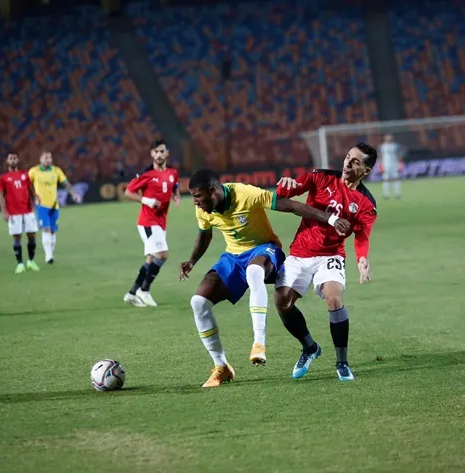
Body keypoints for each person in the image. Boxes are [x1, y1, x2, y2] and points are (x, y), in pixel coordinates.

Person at [179, 168, 350, 388]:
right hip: (233, 256)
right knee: (198, 302)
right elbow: (205, 235)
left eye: (197, 196)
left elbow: (290, 205)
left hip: (265, 249)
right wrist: (192, 261)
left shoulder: (245, 194)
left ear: (212, 191)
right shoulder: (204, 209)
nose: (195, 202)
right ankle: (221, 367)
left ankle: (259, 342)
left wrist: (331, 218)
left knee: (254, 271)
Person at [274, 142, 378, 381]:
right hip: (300, 251)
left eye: (355, 162)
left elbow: (362, 235)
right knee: (282, 302)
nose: (347, 163)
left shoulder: (366, 204)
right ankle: (310, 347)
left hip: (331, 255)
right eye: (348, 157)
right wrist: (285, 184)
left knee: (334, 298)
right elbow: (284, 196)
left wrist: (362, 258)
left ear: (366, 171)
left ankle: (342, 363)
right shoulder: (320, 177)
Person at [123, 139, 180, 307]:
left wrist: (176, 196)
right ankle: (144, 290)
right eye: (156, 152)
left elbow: (174, 186)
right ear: (151, 154)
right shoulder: (146, 174)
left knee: (151, 259)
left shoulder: (172, 172)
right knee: (162, 254)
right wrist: (147, 200)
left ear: (167, 153)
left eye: (162, 151)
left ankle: (131, 293)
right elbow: (128, 192)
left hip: (161, 222)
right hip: (148, 221)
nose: (159, 154)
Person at [28, 151, 81, 264]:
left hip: (54, 205)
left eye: (50, 158)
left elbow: (65, 183)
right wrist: (33, 195)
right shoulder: (34, 171)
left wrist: (73, 194)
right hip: (41, 205)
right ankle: (48, 256)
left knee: (52, 230)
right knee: (45, 228)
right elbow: (26, 184)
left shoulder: (56, 171)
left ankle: (50, 253)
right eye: (46, 158)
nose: (48, 160)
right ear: (40, 159)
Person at [0, 153, 40, 274]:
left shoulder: (24, 174)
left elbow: (30, 188)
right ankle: (20, 264)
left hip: (27, 210)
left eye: (15, 158)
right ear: (7, 161)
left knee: (32, 235)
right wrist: (4, 212)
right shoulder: (3, 178)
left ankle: (31, 261)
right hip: (14, 212)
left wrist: (35, 196)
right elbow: (1, 196)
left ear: (18, 160)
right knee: (17, 237)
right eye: (11, 158)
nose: (13, 160)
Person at [379, 133, 403, 200]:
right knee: (386, 179)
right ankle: (386, 194)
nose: (388, 138)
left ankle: (397, 194)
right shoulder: (382, 146)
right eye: (387, 137)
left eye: (389, 137)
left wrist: (400, 163)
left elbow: (399, 155)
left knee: (396, 178)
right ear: (384, 138)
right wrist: (380, 165)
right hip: (385, 165)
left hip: (394, 164)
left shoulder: (395, 146)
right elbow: (380, 156)